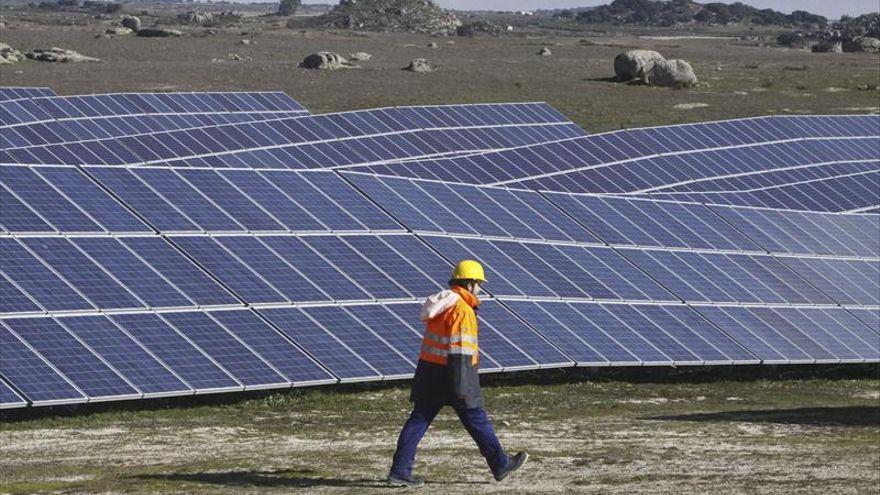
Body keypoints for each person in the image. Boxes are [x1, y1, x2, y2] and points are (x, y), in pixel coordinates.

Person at [387, 260, 528, 488]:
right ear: (469, 284)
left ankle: (400, 471)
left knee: (419, 420)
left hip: (430, 373)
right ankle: (501, 464)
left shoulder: (445, 304)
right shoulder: (462, 310)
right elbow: (460, 352)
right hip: (455, 375)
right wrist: (463, 389)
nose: (481, 289)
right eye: (479, 284)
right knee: (477, 419)